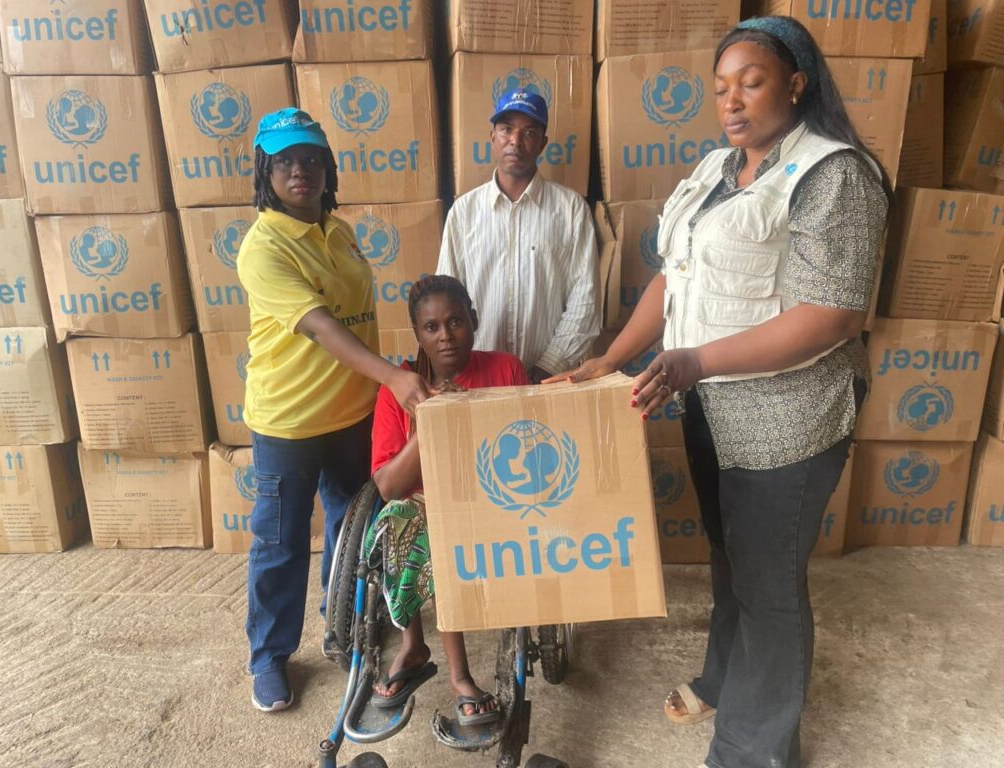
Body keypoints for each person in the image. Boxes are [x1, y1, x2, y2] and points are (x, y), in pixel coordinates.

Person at [548, 17, 890, 768]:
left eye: (751, 82)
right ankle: (723, 680)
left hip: (787, 422)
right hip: (710, 407)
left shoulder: (833, 175)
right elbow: (674, 278)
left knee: (769, 584)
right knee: (730, 555)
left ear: (795, 83)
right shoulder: (715, 169)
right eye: (720, 88)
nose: (731, 101)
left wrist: (695, 361)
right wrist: (611, 357)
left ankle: (752, 749)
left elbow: (832, 314)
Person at [237, 108, 433, 713]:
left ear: (327, 168)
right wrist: (394, 377)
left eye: (312, 158)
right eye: (286, 161)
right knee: (282, 541)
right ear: (266, 171)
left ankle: (342, 624)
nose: (301, 170)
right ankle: (270, 657)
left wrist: (389, 381)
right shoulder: (263, 247)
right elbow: (322, 327)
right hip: (290, 420)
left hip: (353, 412)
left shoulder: (339, 231)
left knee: (355, 529)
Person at [367, 275, 529, 724]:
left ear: (473, 320)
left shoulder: (505, 370)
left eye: (456, 322)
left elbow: (527, 448)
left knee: (450, 526)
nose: (446, 336)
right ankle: (416, 647)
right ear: (417, 334)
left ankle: (458, 676)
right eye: (432, 327)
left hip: (494, 497)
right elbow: (389, 487)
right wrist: (431, 418)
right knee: (404, 520)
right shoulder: (398, 390)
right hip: (426, 506)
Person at [437, 90, 600, 383]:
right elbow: (445, 302)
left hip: (548, 380)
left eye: (529, 132)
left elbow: (585, 300)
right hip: (478, 379)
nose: (515, 140)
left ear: (542, 143)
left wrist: (549, 365)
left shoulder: (571, 209)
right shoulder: (464, 212)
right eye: (507, 129)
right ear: (492, 137)